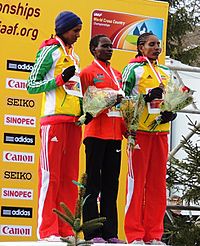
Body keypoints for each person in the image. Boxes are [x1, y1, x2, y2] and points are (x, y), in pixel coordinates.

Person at [27, 11, 82, 241]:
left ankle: (66, 228)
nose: (78, 35)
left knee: (70, 178)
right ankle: (47, 230)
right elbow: (31, 85)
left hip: (73, 122)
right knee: (51, 176)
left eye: (79, 31)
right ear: (63, 29)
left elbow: (75, 87)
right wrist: (58, 79)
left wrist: (83, 111)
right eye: (75, 31)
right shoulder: (50, 50)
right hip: (53, 120)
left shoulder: (74, 55)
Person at [122, 32, 177, 245]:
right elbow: (121, 99)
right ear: (141, 47)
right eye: (152, 44)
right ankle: (134, 234)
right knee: (137, 185)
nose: (157, 48)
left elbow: (171, 98)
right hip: (140, 133)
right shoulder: (133, 69)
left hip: (161, 133)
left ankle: (154, 234)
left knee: (157, 186)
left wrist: (172, 111)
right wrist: (144, 98)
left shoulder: (164, 71)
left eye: (159, 44)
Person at [80, 34, 126, 244]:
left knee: (111, 184)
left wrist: (128, 129)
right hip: (96, 133)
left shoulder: (117, 74)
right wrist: (108, 99)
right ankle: (92, 233)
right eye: (104, 46)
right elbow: (86, 106)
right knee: (93, 184)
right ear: (93, 49)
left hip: (115, 135)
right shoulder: (87, 73)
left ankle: (110, 232)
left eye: (111, 46)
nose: (109, 49)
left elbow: (122, 106)